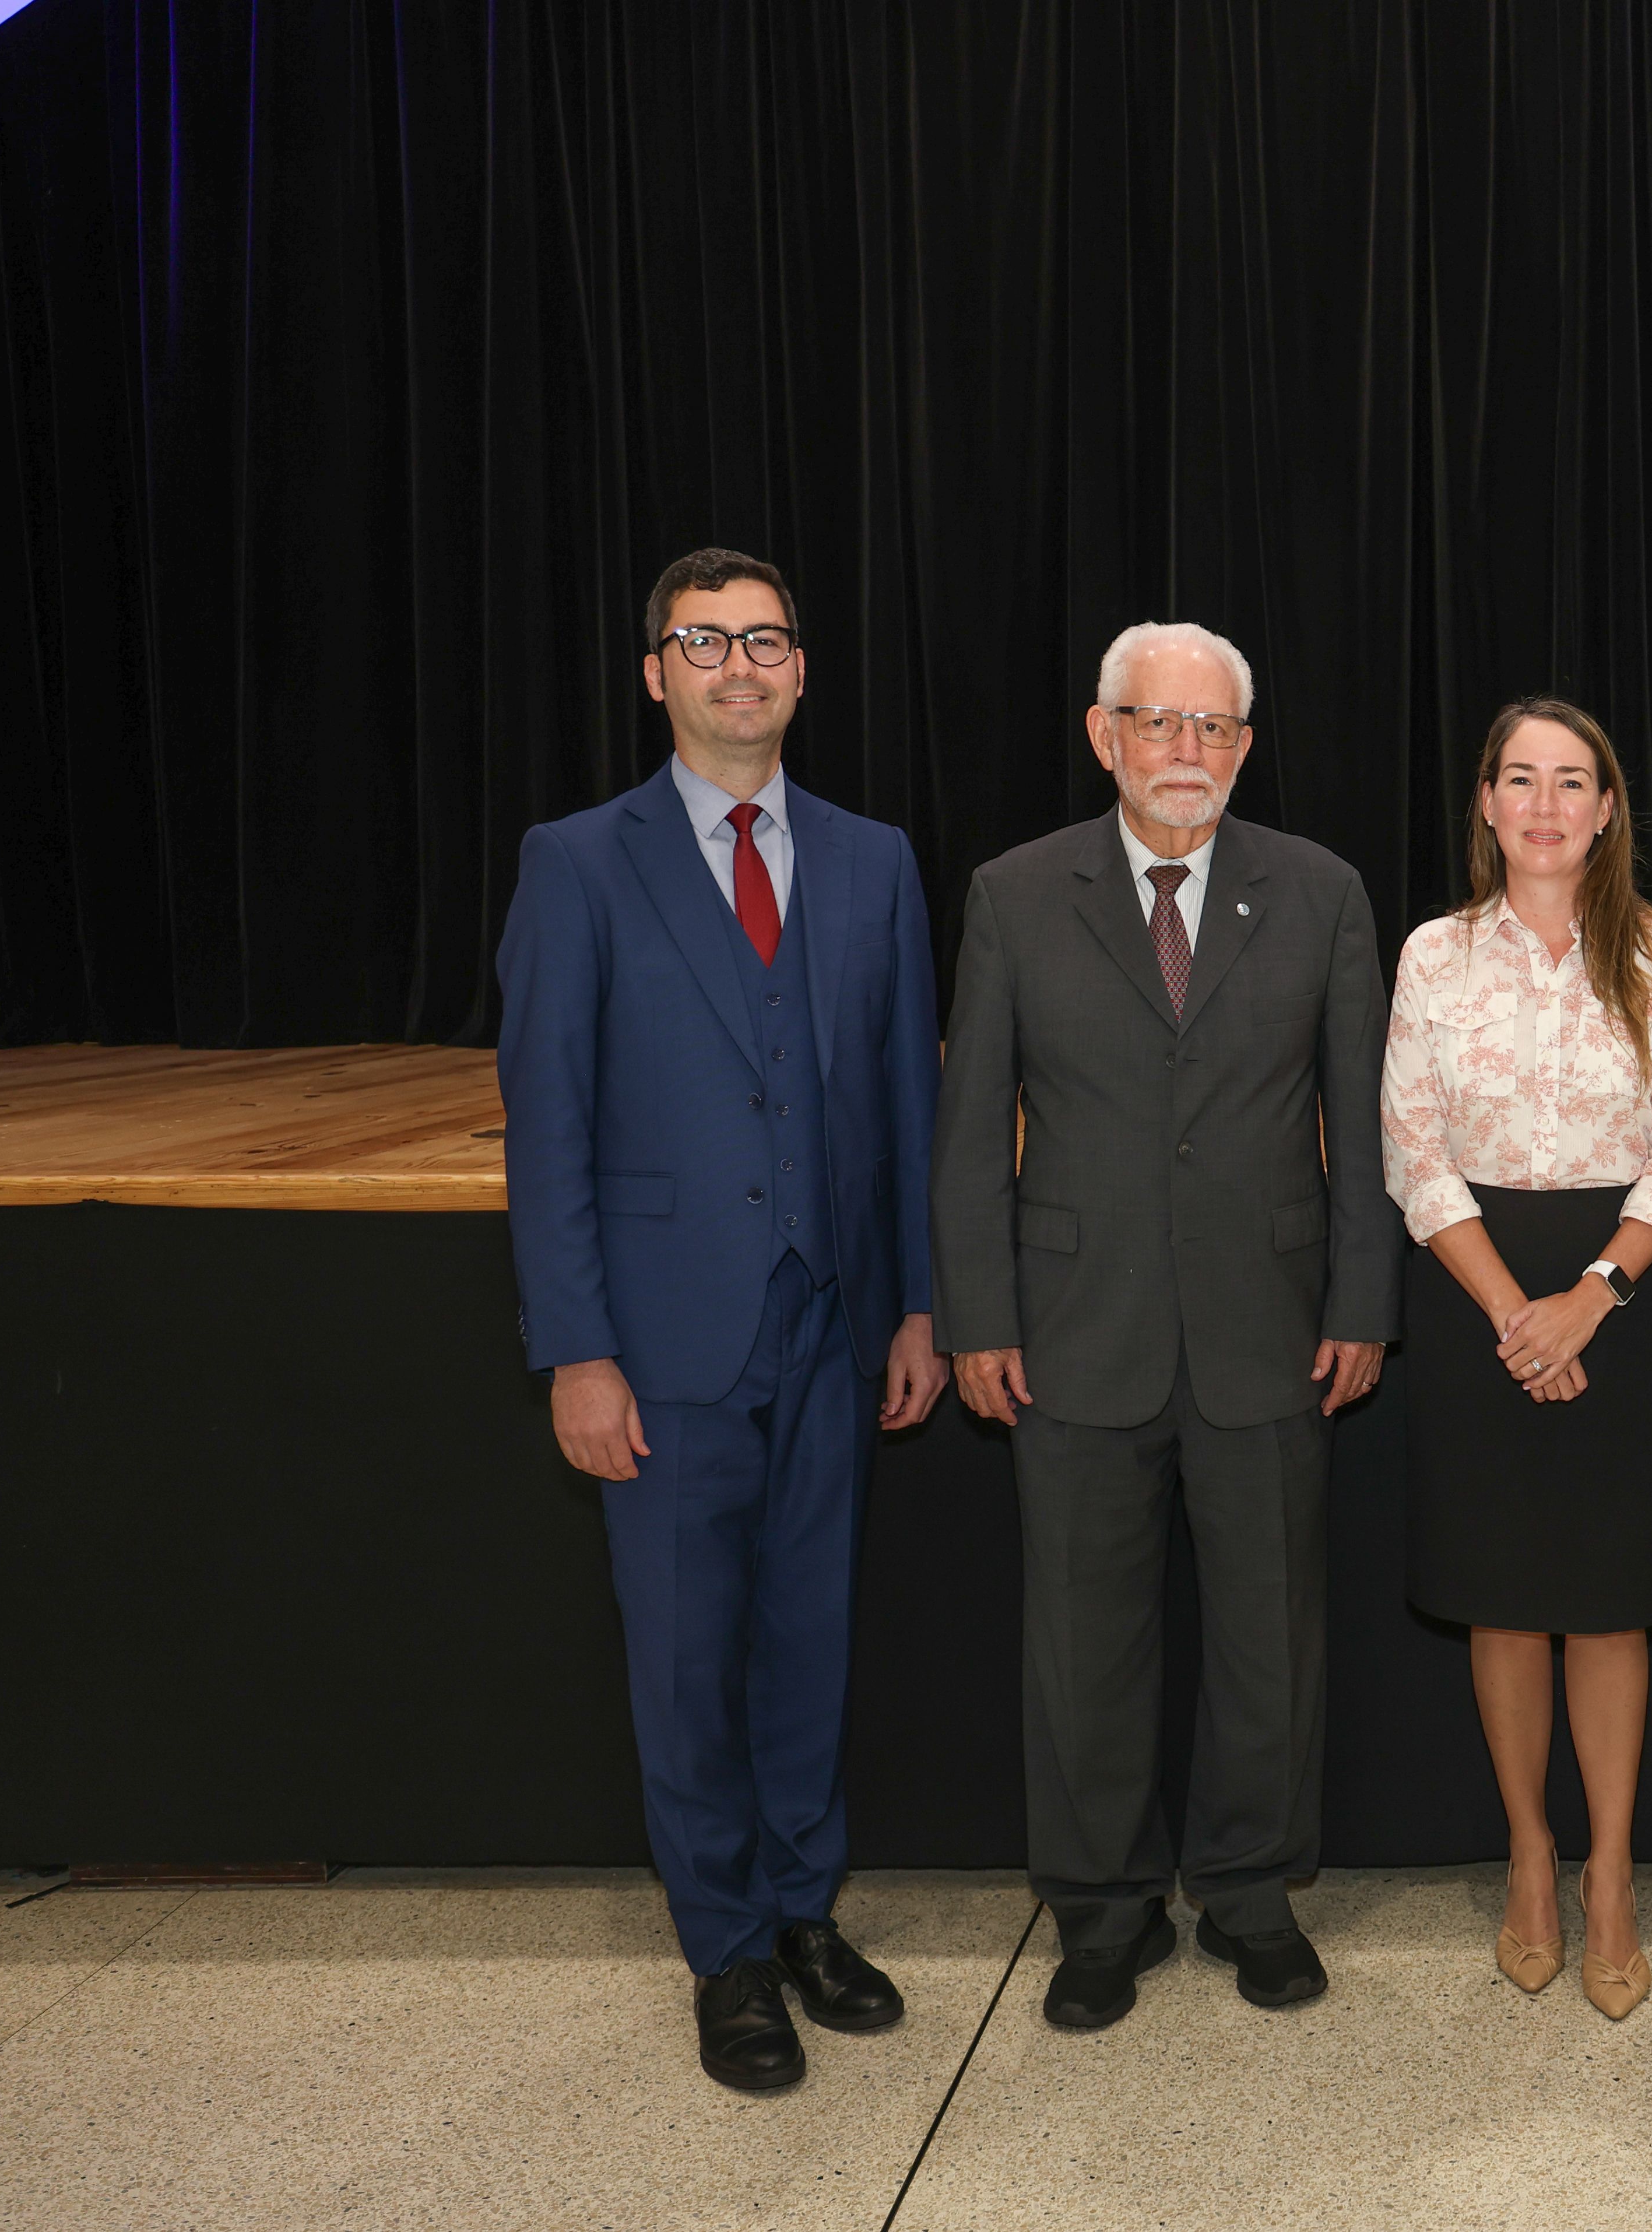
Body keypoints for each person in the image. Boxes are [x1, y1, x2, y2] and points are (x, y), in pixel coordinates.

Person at [497, 547, 950, 2092]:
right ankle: (727, 1949)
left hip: (833, 1323)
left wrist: (918, 1303)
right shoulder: (577, 862)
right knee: (687, 1660)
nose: (738, 665)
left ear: (802, 669)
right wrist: (576, 1347)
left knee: (807, 1639)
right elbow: (548, 1123)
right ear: (657, 674)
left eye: (764, 640)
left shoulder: (874, 860)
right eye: (705, 642)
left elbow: (906, 1105)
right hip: (663, 1337)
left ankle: (805, 1907)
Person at [930, 620, 1400, 2030]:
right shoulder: (1016, 894)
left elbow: (1364, 1119)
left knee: (1269, 1637)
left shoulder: (1320, 892)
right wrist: (976, 1313)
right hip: (1073, 1328)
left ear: (1245, 746)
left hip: (1274, 1325)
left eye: (1213, 728)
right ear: (1105, 735)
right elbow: (972, 1128)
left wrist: (1363, 1299)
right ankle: (1102, 1910)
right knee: (1083, 1645)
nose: (1185, 751)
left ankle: (1252, 1893)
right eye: (1157, 722)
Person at [1379, 698, 1652, 2021]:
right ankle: (1530, 1852)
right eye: (1519, 779)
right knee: (1504, 1599)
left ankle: (1611, 1869)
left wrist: (1586, 1300)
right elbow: (1413, 1148)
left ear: (1606, 808)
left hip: (1622, 1292)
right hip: (1474, 1286)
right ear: (1485, 801)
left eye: (1571, 781)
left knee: (1610, 1601)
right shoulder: (1434, 954)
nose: (1544, 804)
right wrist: (1516, 1313)